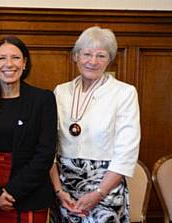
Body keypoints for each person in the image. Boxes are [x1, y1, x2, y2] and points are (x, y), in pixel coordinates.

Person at [50, 26, 140, 223]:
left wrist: (99, 193)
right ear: (76, 57)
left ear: (110, 59)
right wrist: (58, 190)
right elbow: (49, 144)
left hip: (106, 187)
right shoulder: (60, 92)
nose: (93, 61)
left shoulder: (124, 93)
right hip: (65, 189)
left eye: (101, 55)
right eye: (87, 54)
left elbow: (127, 151)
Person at [0, 36, 57, 222]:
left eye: (16, 58)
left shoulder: (43, 99)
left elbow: (46, 152)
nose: (9, 64)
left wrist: (12, 191)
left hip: (29, 195)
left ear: (24, 63)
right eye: (1, 58)